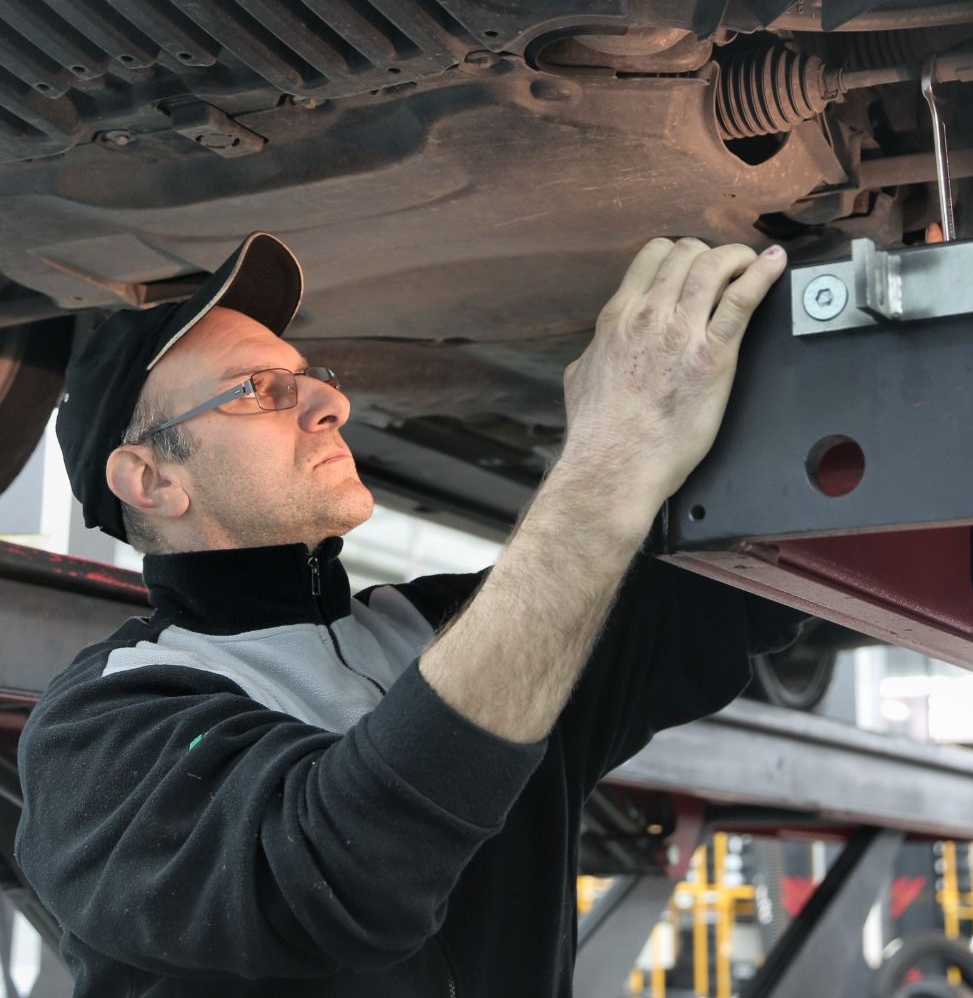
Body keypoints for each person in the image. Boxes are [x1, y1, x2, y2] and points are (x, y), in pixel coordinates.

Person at [15, 231, 801, 997]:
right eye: (258, 388)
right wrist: (609, 457)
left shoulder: (446, 628)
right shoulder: (103, 728)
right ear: (150, 482)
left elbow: (737, 589)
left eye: (310, 375)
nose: (332, 402)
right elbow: (342, 871)